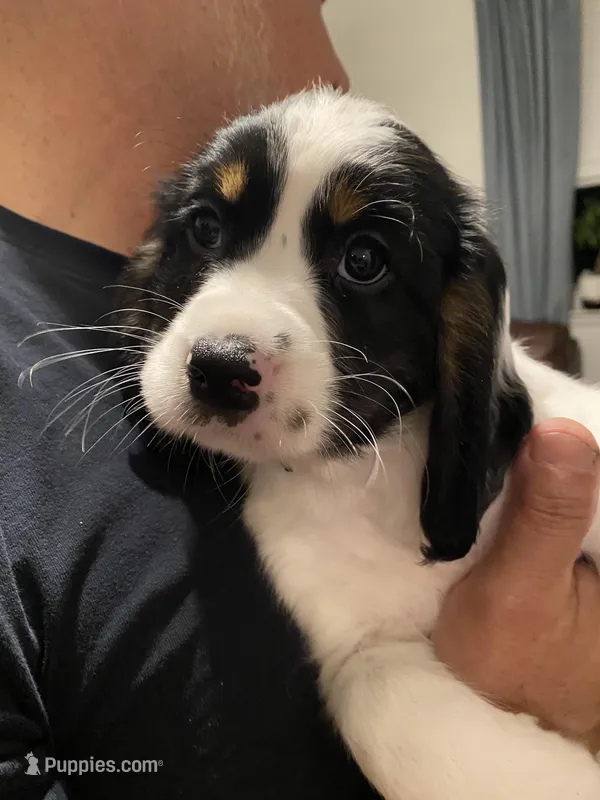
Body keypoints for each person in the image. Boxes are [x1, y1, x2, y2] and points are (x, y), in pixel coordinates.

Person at [0, 3, 598, 798]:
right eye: (208, 231)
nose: (230, 336)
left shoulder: (535, 417)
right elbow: (364, 658)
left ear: (458, 327)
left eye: (363, 259)